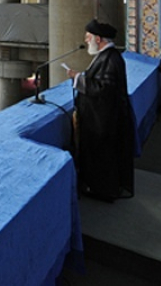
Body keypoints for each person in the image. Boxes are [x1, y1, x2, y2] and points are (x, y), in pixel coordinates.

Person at [66, 19, 135, 202]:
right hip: (101, 117)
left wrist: (77, 77)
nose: (86, 40)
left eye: (89, 37)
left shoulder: (110, 58)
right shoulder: (107, 56)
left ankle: (103, 191)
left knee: (103, 156)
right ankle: (99, 187)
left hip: (104, 120)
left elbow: (104, 89)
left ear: (98, 38)